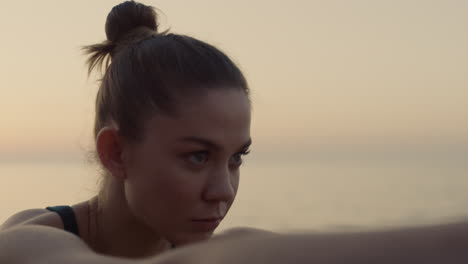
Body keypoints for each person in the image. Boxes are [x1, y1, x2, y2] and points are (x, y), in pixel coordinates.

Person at [2, 1, 468, 264]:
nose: (223, 191)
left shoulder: (226, 244)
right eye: (197, 157)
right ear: (117, 152)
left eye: (236, 158)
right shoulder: (29, 242)